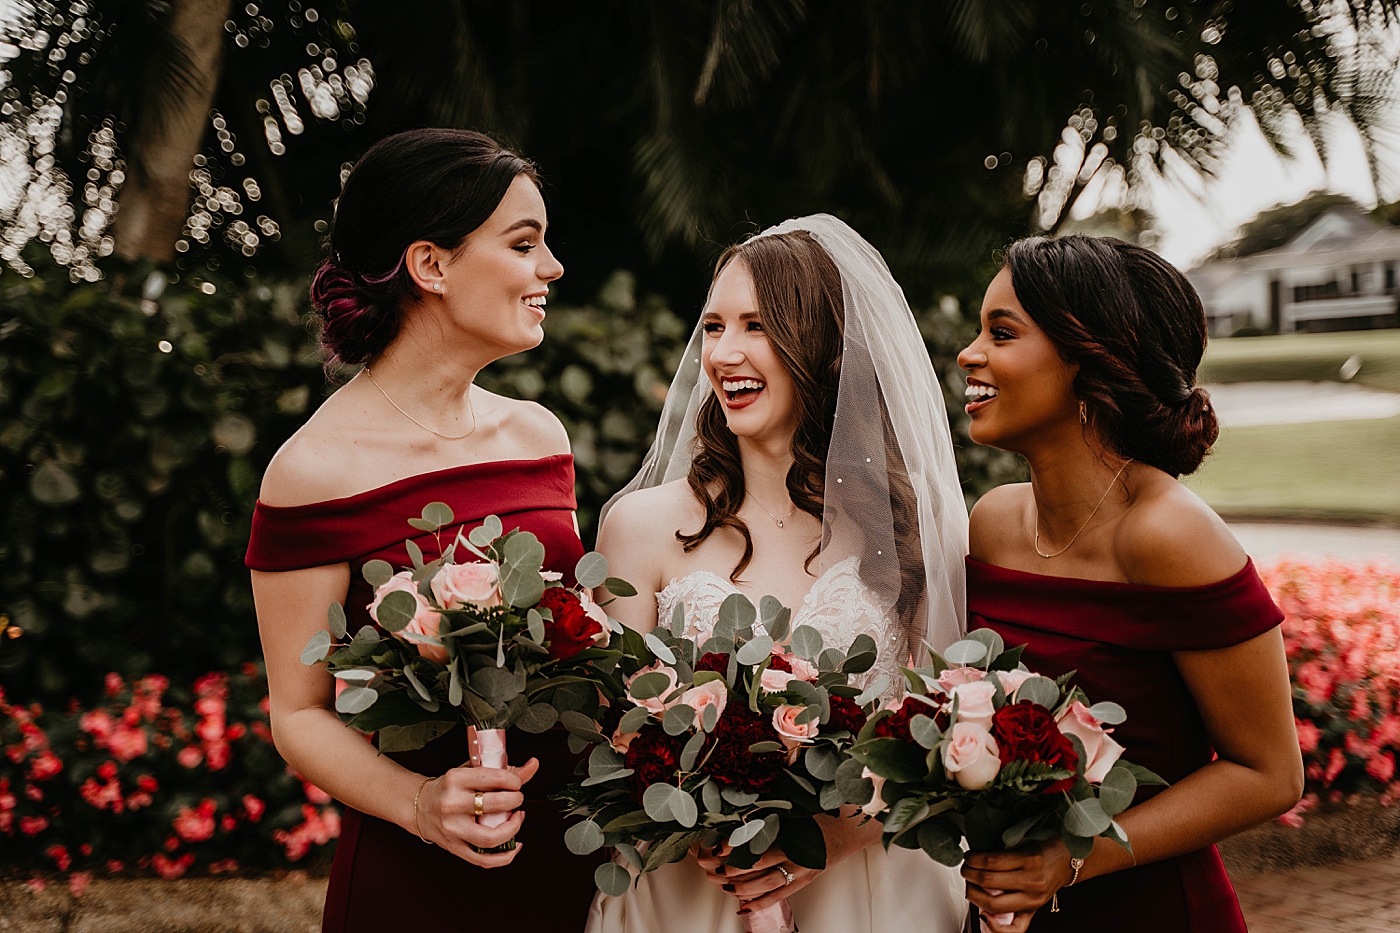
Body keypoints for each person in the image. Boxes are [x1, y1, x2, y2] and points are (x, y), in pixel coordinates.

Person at [246, 128, 599, 932]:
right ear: (431, 264)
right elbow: (298, 714)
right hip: (419, 871)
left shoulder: (538, 435)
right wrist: (419, 802)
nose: (552, 268)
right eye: (524, 243)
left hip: (566, 855)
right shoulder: (313, 471)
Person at [588, 215, 969, 933]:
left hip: (872, 890)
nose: (725, 352)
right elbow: (610, 737)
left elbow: (946, 726)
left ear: (822, 347)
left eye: (756, 326)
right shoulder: (638, 525)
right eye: (713, 327)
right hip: (692, 895)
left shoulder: (913, 522)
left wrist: (840, 835)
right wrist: (693, 812)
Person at [955, 235, 1304, 932]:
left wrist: (1072, 857)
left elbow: (1269, 772)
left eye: (1001, 332)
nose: (969, 352)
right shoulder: (992, 523)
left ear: (1088, 358)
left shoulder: (1168, 535)